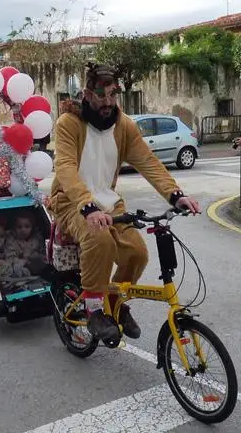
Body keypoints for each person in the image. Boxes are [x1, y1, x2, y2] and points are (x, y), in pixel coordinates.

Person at [49, 63, 201, 342]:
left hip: (108, 199)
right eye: (101, 95)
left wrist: (176, 195)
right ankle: (94, 309)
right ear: (87, 94)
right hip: (71, 201)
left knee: (136, 252)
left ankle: (115, 304)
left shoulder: (124, 125)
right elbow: (65, 167)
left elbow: (148, 162)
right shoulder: (69, 123)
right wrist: (87, 206)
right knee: (100, 240)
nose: (108, 102)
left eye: (113, 95)